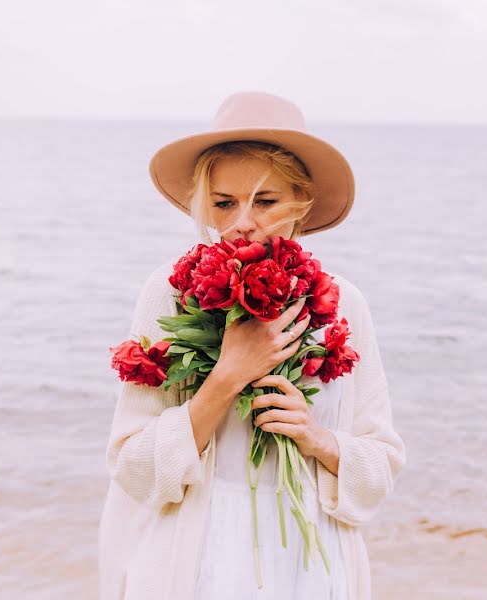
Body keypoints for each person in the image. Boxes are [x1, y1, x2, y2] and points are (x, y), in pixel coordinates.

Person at [98, 91, 407, 600]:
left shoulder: (342, 303)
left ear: (300, 202)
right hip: (193, 565)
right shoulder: (169, 295)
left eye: (265, 201)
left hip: (308, 566)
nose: (243, 221)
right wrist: (226, 377)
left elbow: (381, 468)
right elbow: (132, 469)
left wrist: (316, 437)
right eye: (224, 203)